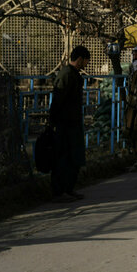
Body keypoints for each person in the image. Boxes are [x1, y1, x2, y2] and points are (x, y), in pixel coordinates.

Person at [49, 46, 90, 202]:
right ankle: (60, 191)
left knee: (74, 157)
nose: (86, 64)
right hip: (65, 124)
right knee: (64, 158)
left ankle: (68, 189)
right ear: (79, 59)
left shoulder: (72, 74)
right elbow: (58, 99)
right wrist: (53, 121)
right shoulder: (66, 75)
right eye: (86, 61)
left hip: (72, 123)